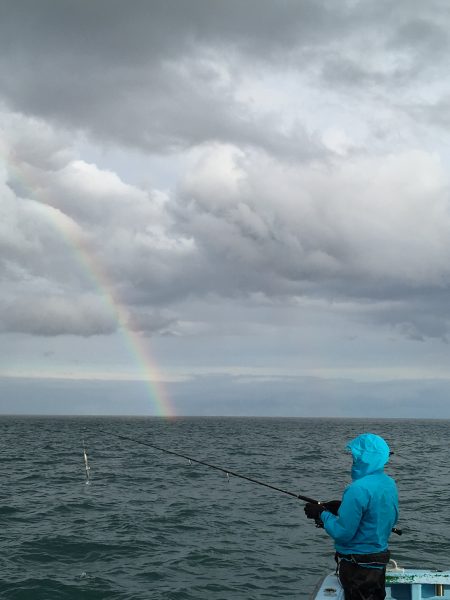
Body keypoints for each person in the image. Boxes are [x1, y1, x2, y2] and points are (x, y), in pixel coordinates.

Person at [304, 433, 399, 600]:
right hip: (379, 562)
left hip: (358, 567)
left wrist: (321, 514)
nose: (353, 460)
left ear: (364, 458)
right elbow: (379, 515)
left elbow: (343, 532)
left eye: (356, 456)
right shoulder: (389, 484)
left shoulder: (357, 489)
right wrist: (342, 507)